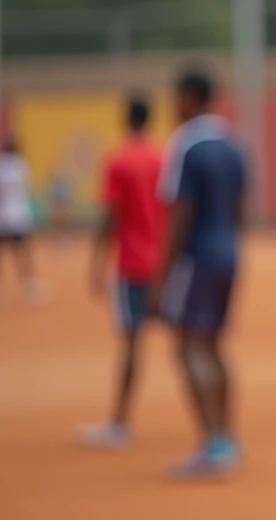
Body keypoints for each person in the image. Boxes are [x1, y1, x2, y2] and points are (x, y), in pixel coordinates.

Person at [150, 70, 247, 478]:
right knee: (214, 345)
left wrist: (161, 274)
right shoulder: (233, 144)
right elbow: (243, 208)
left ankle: (213, 444)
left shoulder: (186, 145)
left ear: (189, 97)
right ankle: (226, 438)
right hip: (229, 252)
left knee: (189, 346)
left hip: (195, 257)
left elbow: (180, 214)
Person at [79, 96, 166, 449]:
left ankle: (120, 422)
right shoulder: (164, 157)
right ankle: (210, 430)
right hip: (166, 263)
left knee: (132, 343)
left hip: (131, 265)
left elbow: (110, 215)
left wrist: (96, 263)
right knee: (188, 342)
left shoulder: (118, 158)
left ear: (124, 118)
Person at [0, 137, 41, 305]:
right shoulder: (21, 165)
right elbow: (25, 188)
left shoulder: (1, 165)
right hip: (18, 214)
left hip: (3, 215)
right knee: (23, 252)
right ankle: (28, 288)